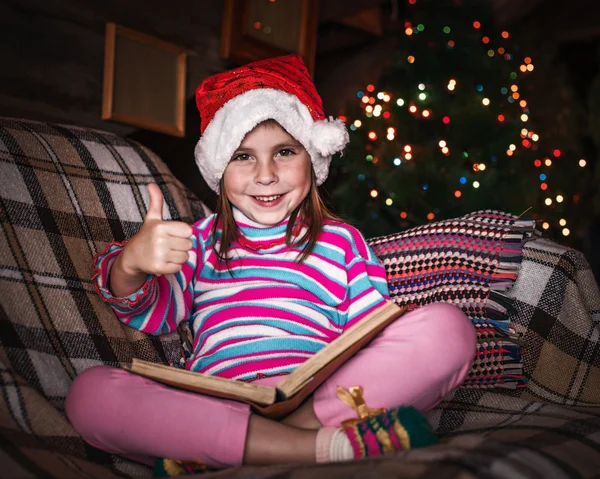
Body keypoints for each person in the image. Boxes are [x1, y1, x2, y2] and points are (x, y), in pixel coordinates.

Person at [65, 54, 476, 471]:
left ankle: (240, 452)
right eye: (243, 156)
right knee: (89, 395)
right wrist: (132, 263)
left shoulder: (343, 242)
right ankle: (320, 447)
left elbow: (368, 338)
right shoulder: (200, 241)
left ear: (312, 160)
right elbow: (149, 312)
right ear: (219, 170)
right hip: (217, 404)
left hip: (315, 397)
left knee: (449, 328)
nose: (265, 175)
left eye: (283, 151)